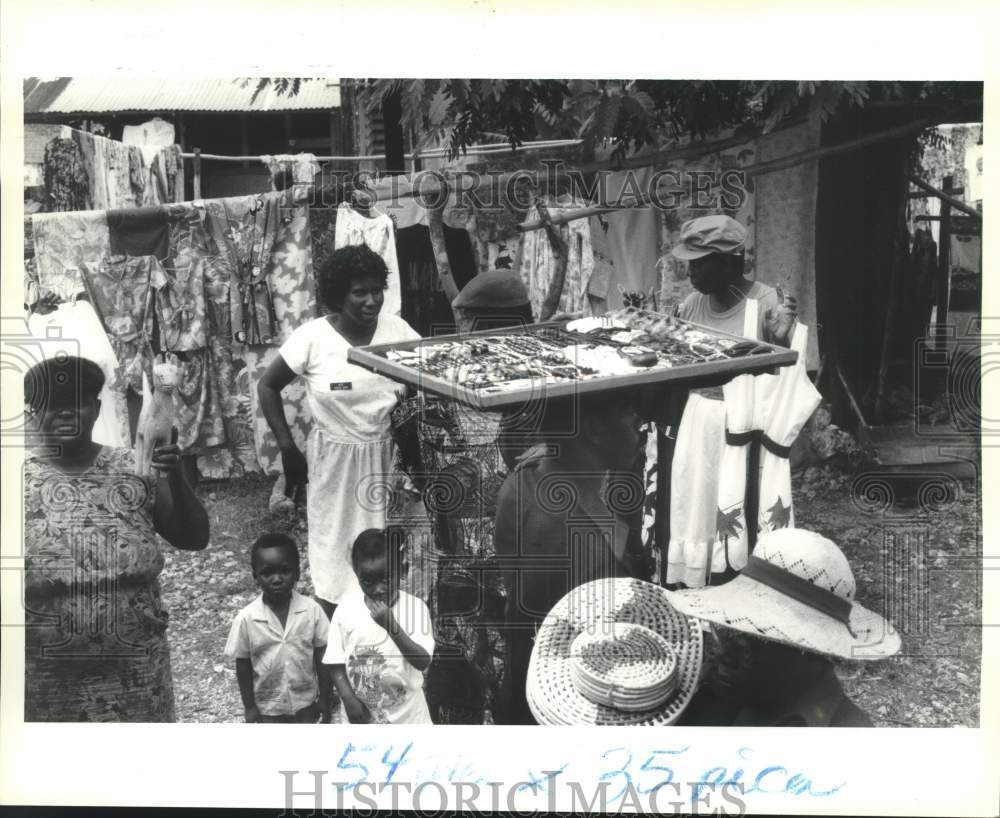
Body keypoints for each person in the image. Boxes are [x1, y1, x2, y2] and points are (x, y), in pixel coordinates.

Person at [22, 354, 209, 722]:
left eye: (74, 402)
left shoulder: (135, 468)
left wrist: (175, 478)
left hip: (137, 674)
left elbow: (194, 538)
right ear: (32, 412)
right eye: (51, 404)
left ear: (94, 408)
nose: (64, 413)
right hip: (46, 677)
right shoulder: (16, 481)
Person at [258, 245, 421, 618]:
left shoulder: (398, 331)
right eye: (359, 292)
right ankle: (335, 629)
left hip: (388, 458)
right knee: (335, 545)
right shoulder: (313, 338)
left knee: (387, 546)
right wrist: (287, 447)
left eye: (376, 289)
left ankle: (389, 628)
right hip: (334, 460)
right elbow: (267, 386)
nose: (371, 301)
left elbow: (425, 382)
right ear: (338, 294)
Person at [493, 388, 654, 724]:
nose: (640, 422)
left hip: (526, 688)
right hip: (569, 711)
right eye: (628, 409)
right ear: (594, 430)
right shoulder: (588, 549)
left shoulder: (522, 481)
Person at [669, 528, 901, 727]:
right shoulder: (713, 698)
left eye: (745, 636)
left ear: (805, 649)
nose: (719, 653)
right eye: (724, 631)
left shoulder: (848, 738)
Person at [324, 528, 435, 724]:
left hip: (408, 718)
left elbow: (422, 661)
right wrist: (348, 699)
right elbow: (334, 661)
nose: (378, 589)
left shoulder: (416, 609)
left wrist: (391, 626)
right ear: (356, 574)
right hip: (362, 718)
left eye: (386, 579)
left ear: (403, 570)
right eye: (367, 581)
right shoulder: (345, 610)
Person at [224, 533, 333, 723]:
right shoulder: (247, 619)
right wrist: (249, 707)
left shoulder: (312, 611)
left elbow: (323, 656)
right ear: (255, 576)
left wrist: (325, 696)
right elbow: (242, 664)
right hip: (268, 709)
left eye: (285, 571)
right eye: (267, 573)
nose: (276, 579)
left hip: (306, 704)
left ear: (298, 573)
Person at [671, 214, 797, 346]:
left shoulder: (770, 304)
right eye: (690, 263)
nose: (689, 272)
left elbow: (794, 364)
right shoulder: (693, 304)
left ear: (727, 262)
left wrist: (780, 341)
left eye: (697, 264)